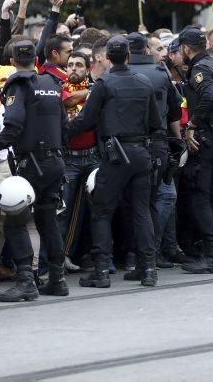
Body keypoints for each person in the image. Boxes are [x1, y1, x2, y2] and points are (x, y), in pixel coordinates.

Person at [66, 36, 161, 288]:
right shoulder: (144, 82)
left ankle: (101, 272)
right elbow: (155, 122)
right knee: (141, 211)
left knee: (102, 212)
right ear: (128, 56)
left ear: (107, 57)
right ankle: (148, 268)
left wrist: (62, 130)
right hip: (140, 152)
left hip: (115, 154)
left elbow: (85, 120)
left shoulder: (103, 84)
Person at [0, 40, 69, 301]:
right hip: (55, 160)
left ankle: (26, 280)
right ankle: (57, 279)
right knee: (47, 218)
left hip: (31, 162)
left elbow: (12, 123)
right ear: (36, 59)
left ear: (12, 62)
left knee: (15, 219)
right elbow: (64, 123)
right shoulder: (50, 83)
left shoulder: (17, 84)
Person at [126, 32, 183, 276]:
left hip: (128, 145)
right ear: (147, 51)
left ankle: (140, 257)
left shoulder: (117, 74)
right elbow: (174, 112)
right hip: (156, 144)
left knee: (135, 205)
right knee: (148, 204)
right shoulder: (161, 74)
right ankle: (147, 257)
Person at [176, 28, 213, 273]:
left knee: (201, 195)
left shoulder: (199, 69)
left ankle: (212, 256)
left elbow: (209, 97)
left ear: (186, 49)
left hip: (207, 138)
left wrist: (192, 125)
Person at [59, 52, 99, 271]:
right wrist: (91, 92)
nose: (74, 68)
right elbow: (70, 101)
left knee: (97, 209)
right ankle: (62, 256)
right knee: (65, 210)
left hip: (93, 156)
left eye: (79, 65)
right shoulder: (59, 87)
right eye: (70, 65)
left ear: (87, 68)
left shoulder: (95, 87)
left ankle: (99, 255)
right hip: (69, 158)